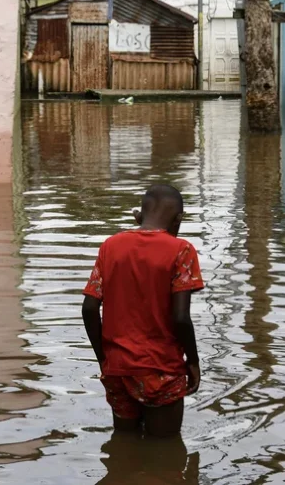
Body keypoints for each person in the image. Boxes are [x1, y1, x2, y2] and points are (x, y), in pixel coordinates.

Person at [82, 184, 204, 437]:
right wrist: (193, 362)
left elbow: (90, 308)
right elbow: (181, 318)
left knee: (123, 445)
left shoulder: (111, 246)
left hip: (117, 370)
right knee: (165, 455)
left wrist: (103, 358)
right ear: (178, 219)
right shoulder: (181, 251)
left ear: (138, 216)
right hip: (161, 370)